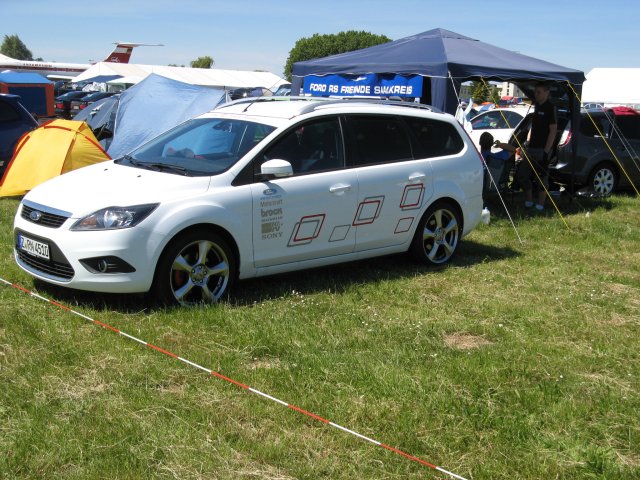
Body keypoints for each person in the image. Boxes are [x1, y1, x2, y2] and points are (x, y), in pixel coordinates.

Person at [518, 82, 557, 211]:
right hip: (531, 147)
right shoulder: (537, 106)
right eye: (535, 92)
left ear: (547, 92)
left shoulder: (550, 107)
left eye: (539, 92)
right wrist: (528, 141)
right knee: (523, 174)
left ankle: (540, 204)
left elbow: (553, 130)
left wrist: (546, 150)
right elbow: (533, 126)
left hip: (542, 149)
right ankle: (529, 201)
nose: (536, 94)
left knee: (541, 176)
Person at [478, 131, 516, 196]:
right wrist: (500, 144)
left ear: (479, 143)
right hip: (496, 187)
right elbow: (513, 149)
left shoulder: (476, 158)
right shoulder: (498, 157)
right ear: (492, 144)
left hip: (480, 188)